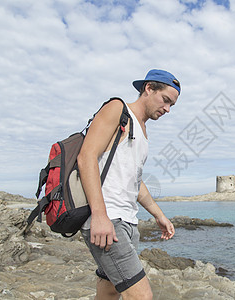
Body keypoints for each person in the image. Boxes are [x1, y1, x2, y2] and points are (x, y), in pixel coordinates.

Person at [77, 69, 180, 300]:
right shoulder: (117, 109)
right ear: (149, 88)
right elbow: (86, 157)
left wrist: (159, 215)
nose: (167, 109)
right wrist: (99, 216)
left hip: (128, 221)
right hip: (108, 220)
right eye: (165, 100)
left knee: (110, 291)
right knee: (141, 296)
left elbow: (136, 182)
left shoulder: (143, 131)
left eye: (172, 105)